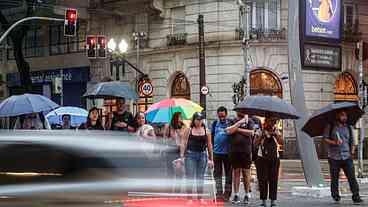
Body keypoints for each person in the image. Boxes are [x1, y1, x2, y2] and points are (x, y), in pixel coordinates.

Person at [323, 110, 363, 204]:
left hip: (346, 156)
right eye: (342, 115)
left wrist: (352, 152)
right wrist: (334, 142)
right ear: (337, 116)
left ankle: (356, 195)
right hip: (334, 157)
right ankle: (335, 195)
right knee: (334, 178)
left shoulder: (349, 127)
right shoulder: (331, 126)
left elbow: (353, 141)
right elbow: (325, 138)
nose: (344, 117)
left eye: (345, 115)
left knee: (352, 177)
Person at [180, 112, 214, 201]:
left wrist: (211, 159)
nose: (199, 122)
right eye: (197, 119)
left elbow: (210, 145)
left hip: (202, 155)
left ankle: (200, 198)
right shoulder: (188, 130)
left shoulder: (207, 131)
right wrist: (182, 156)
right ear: (194, 120)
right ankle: (189, 199)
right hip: (190, 155)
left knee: (200, 177)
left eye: (200, 119)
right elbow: (183, 143)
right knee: (190, 177)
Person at [226, 111, 254, 205]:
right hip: (234, 151)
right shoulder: (232, 120)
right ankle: (236, 194)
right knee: (236, 173)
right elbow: (229, 131)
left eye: (243, 110)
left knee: (246, 173)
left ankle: (247, 194)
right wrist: (240, 123)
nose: (241, 111)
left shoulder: (249, 121)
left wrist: (237, 129)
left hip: (246, 151)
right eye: (239, 110)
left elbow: (251, 133)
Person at [255, 116, 283, 207]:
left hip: (274, 158)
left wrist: (276, 134)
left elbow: (282, 142)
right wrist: (262, 135)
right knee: (262, 179)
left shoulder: (276, 130)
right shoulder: (260, 130)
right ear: (266, 121)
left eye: (273, 122)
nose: (271, 124)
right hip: (262, 158)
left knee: (273, 179)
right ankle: (263, 200)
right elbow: (255, 144)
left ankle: (273, 200)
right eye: (270, 122)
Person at [211, 106, 232, 202]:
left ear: (226, 114)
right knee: (217, 174)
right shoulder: (215, 123)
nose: (222, 118)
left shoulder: (230, 123)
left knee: (228, 174)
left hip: (228, 153)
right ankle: (219, 193)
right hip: (217, 153)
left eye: (223, 116)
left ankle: (227, 194)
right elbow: (211, 137)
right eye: (220, 116)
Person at [163, 112, 185, 192]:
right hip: (170, 150)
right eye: (180, 117)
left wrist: (179, 133)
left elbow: (184, 139)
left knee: (179, 171)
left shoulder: (183, 126)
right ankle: (169, 190)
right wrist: (169, 140)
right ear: (175, 118)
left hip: (179, 151)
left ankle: (177, 190)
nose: (181, 119)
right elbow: (164, 139)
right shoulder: (168, 126)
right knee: (170, 171)